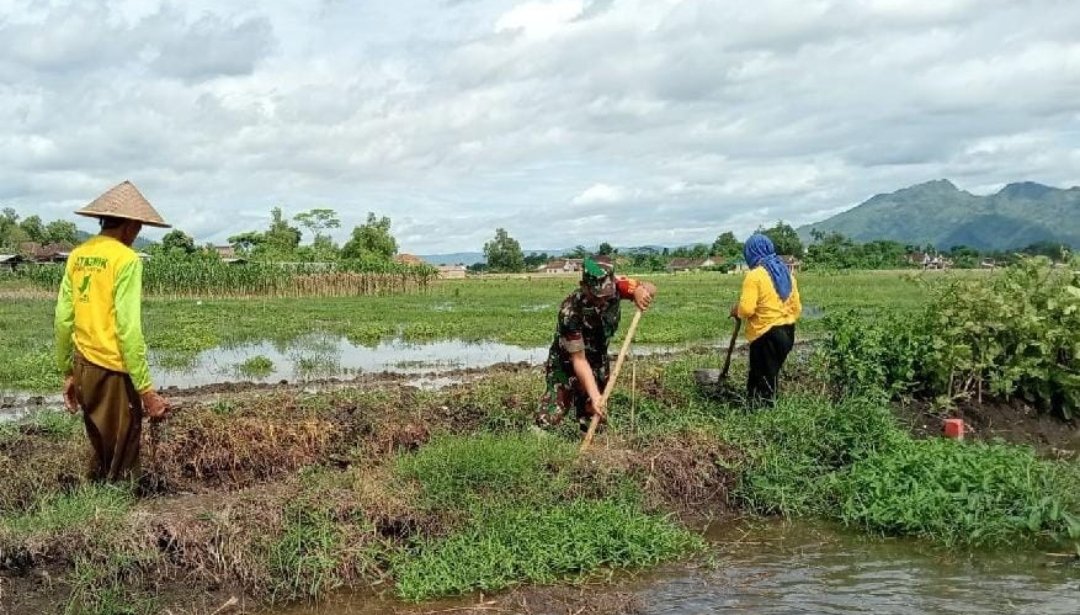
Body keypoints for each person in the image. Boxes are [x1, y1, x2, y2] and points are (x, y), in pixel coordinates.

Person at [55, 181, 171, 482]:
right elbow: (128, 328)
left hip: (83, 365)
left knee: (101, 445)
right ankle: (122, 504)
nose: (137, 234)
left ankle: (97, 498)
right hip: (112, 371)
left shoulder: (78, 255)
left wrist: (69, 372)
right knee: (124, 453)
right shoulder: (126, 259)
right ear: (130, 225)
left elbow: (63, 319)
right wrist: (146, 391)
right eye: (138, 228)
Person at [536, 257, 656, 431]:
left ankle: (586, 430)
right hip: (566, 362)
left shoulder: (617, 286)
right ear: (584, 286)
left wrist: (640, 291)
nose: (602, 301)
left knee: (594, 417)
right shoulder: (570, 312)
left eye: (606, 295)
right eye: (596, 296)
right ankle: (538, 437)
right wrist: (594, 395)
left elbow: (650, 287)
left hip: (597, 359)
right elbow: (579, 360)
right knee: (549, 418)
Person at [730, 233, 802, 406]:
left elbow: (747, 309)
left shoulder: (754, 276)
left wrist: (736, 310)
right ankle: (761, 409)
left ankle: (761, 413)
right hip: (788, 333)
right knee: (768, 375)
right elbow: (797, 308)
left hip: (766, 335)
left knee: (762, 381)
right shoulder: (787, 274)